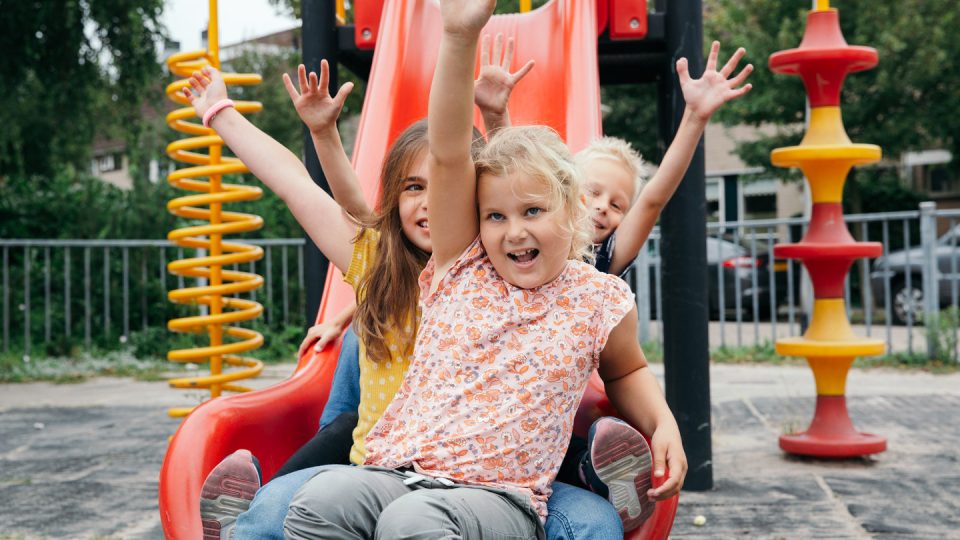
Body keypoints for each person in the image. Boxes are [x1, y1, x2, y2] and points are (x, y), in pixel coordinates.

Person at [282, 1, 687, 538]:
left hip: (498, 493)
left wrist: (663, 423)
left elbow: (627, 371)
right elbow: (449, 152)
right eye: (495, 216)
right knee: (319, 500)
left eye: (533, 212)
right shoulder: (462, 267)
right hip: (400, 471)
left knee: (413, 522)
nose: (513, 231)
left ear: (571, 213)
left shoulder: (598, 299)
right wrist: (459, 35)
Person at [188, 56, 624, 539]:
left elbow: (525, 191)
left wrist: (498, 119)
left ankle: (597, 473)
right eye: (413, 188)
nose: (428, 203)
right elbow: (295, 186)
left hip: (493, 480)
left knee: (592, 523)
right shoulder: (378, 266)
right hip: (383, 473)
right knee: (272, 513)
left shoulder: (508, 271)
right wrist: (220, 112)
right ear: (394, 196)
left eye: (443, 190)